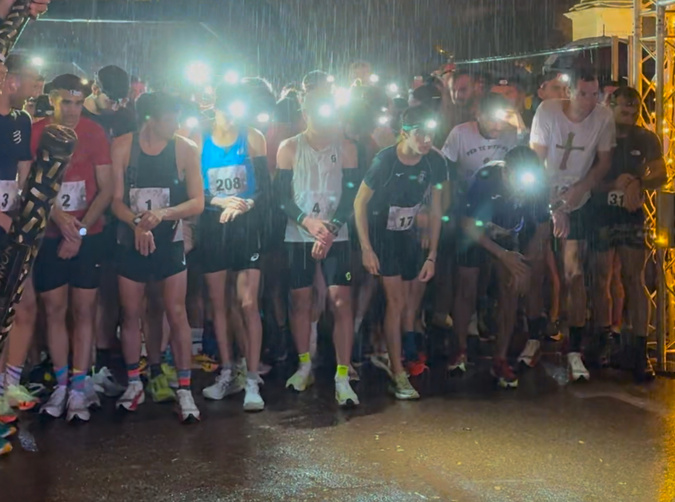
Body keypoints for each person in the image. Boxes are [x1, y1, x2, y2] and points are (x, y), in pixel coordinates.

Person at [111, 92, 204, 423]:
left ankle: (184, 388)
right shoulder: (124, 145)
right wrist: (137, 222)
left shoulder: (185, 148)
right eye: (170, 118)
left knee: (175, 311)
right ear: (151, 118)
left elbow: (198, 201)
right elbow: (117, 200)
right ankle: (135, 382)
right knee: (131, 311)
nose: (176, 124)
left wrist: (163, 214)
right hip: (132, 236)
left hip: (170, 237)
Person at [33, 74, 113, 422]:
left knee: (83, 310)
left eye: (78, 103)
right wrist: (58, 218)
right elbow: (28, 184)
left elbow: (107, 189)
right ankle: (62, 385)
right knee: (53, 310)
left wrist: (78, 229)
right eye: (66, 102)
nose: (72, 110)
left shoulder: (94, 132)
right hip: (48, 236)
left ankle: (79, 388)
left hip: (87, 234)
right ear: (52, 100)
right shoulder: (37, 132)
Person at [276, 88, 360, 407]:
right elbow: (281, 196)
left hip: (336, 233)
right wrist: (307, 222)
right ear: (305, 114)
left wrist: (332, 227)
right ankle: (304, 364)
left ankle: (341, 373)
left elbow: (352, 196)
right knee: (299, 298)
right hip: (299, 233)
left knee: (341, 300)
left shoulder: (347, 148)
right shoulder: (289, 148)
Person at [353, 105, 445, 399]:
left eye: (431, 133)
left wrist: (433, 253)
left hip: (409, 235)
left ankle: (385, 351)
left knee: (406, 305)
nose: (428, 139)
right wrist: (366, 248)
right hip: (382, 234)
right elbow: (359, 203)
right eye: (421, 133)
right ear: (405, 133)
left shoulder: (435, 162)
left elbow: (437, 208)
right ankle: (397, 373)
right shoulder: (386, 160)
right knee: (396, 302)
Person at [530, 70, 616, 381]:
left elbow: (603, 161)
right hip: (543, 193)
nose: (590, 101)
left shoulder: (603, 117)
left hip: (579, 197)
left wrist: (579, 190)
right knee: (536, 265)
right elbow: (535, 157)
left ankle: (574, 346)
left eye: (595, 94)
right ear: (569, 91)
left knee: (574, 271)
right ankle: (534, 334)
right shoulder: (548, 112)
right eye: (583, 94)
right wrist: (554, 206)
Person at [197, 84, 270, 412]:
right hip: (213, 226)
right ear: (214, 108)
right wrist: (216, 200)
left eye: (236, 112)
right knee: (218, 303)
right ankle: (228, 371)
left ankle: (253, 378)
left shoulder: (252, 137)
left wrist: (244, 205)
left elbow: (266, 188)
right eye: (226, 111)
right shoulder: (198, 138)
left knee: (247, 302)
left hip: (246, 225)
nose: (231, 118)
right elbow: (193, 185)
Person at [457, 147, 551, 385]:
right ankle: (459, 349)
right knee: (468, 284)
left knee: (511, 288)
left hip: (510, 234)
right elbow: (467, 224)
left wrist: (525, 262)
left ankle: (499, 359)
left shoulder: (537, 186)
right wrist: (501, 254)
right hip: (476, 232)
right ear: (506, 172)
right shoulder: (486, 178)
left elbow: (542, 227)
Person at [590, 87, 665, 382]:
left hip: (631, 214)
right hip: (600, 213)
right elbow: (582, 179)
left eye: (635, 111)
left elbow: (661, 173)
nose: (631, 115)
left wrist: (637, 180)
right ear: (610, 105)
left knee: (635, 278)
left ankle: (637, 348)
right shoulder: (596, 134)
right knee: (600, 278)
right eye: (624, 110)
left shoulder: (645, 137)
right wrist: (612, 184)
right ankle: (602, 338)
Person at [83, 65, 137, 396]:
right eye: (111, 99)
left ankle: (108, 354)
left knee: (115, 288)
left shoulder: (126, 118)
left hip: (119, 211)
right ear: (94, 88)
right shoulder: (82, 117)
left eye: (122, 100)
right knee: (88, 292)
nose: (115, 106)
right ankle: (89, 361)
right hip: (86, 209)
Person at [0, 55, 42, 435]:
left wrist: (30, 216)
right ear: (10, 81)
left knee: (23, 303)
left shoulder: (22, 120)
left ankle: (8, 382)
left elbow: (25, 173)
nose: (36, 85)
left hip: (15, 224)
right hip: (3, 223)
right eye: (32, 78)